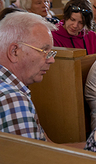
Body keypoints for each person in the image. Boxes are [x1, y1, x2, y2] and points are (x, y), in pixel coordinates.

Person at [0, 12, 56, 140]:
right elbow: (35, 159)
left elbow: (49, 147)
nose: (51, 60)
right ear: (14, 52)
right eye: (44, 51)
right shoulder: (12, 99)